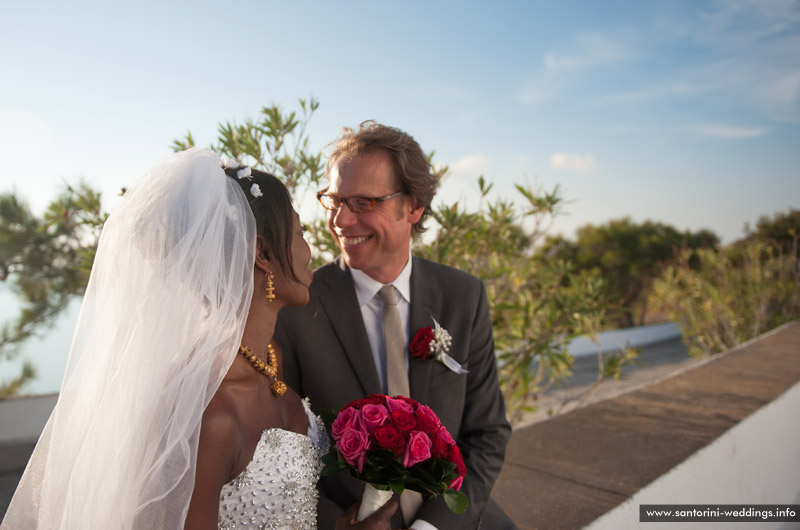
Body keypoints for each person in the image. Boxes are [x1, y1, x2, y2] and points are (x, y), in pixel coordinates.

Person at [0, 148, 396, 529]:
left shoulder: (268, 361)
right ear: (262, 252)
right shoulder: (210, 412)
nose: (311, 250)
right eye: (300, 231)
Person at [275, 122, 516, 530]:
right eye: (333, 200)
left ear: (414, 207)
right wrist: (339, 524)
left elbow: (487, 432)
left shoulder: (463, 296)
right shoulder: (296, 308)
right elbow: (277, 452)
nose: (341, 221)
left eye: (363, 203)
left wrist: (431, 527)